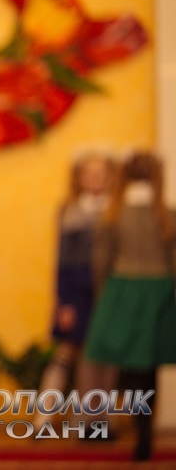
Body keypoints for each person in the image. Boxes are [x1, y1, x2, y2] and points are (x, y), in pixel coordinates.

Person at [85, 151, 176, 461]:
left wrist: (104, 296)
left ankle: (139, 428)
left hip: (122, 290)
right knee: (149, 366)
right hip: (159, 292)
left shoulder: (113, 215)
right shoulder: (167, 214)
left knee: (130, 365)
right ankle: (145, 429)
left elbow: (101, 261)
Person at [35, 151, 115, 428]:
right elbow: (63, 261)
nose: (95, 179)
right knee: (67, 351)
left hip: (107, 293)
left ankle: (94, 419)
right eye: (89, 174)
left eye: (101, 174)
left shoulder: (114, 211)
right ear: (79, 179)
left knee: (101, 356)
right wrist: (64, 300)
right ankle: (42, 417)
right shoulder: (70, 211)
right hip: (76, 293)